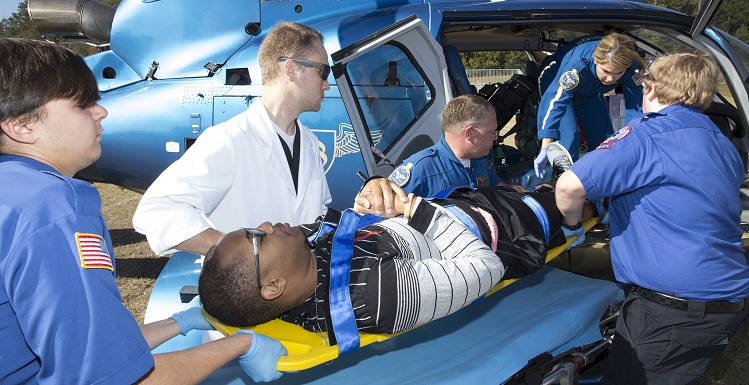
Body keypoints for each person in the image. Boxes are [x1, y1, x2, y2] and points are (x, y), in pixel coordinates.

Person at [0, 38, 285, 383]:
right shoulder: (53, 209)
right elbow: (112, 377)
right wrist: (241, 344)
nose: (101, 112)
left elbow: (75, 342)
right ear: (22, 125)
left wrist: (176, 324)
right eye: (82, 104)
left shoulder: (14, 194)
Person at [554, 52, 749, 384]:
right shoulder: (721, 140)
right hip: (726, 300)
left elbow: (570, 186)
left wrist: (572, 225)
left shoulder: (648, 134)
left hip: (673, 311)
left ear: (653, 88)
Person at [198, 185, 602, 335]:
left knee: (539, 185)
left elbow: (347, 224)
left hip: (464, 203)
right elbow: (486, 268)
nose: (267, 223)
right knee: (582, 194)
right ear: (272, 287)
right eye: (257, 236)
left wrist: (371, 196)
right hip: (506, 227)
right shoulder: (376, 296)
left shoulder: (301, 256)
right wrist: (413, 207)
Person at [133, 21, 332, 256]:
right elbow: (156, 210)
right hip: (246, 290)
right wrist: (238, 250)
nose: (327, 85)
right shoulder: (229, 140)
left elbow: (317, 215)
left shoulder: (308, 142)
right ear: (291, 70)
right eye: (323, 72)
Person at [534, 33, 643, 179]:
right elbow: (555, 101)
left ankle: (605, 183)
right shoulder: (576, 67)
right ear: (596, 60)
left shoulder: (632, 67)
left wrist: (632, 139)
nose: (611, 79)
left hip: (590, 90)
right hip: (554, 80)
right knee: (569, 137)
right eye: (606, 71)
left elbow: (638, 103)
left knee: (604, 139)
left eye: (618, 73)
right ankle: (562, 185)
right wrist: (546, 145)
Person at [384, 94, 521, 198]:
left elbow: (495, 184)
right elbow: (377, 213)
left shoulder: (482, 160)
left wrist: (520, 193)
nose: (496, 137)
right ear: (470, 133)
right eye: (492, 132)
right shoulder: (419, 171)